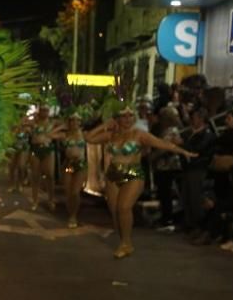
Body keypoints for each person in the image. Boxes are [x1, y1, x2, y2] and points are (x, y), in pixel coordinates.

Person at [86, 106, 196, 258]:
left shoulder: (139, 134)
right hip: (113, 174)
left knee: (124, 207)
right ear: (117, 119)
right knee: (115, 212)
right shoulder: (111, 135)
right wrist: (104, 126)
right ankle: (124, 240)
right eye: (124, 116)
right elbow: (89, 138)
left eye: (131, 116)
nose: (128, 119)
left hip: (133, 173)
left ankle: (126, 243)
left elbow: (162, 144)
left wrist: (183, 151)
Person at [180, 108, 216, 240]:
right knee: (187, 197)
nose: (192, 120)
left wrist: (182, 146)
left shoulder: (207, 134)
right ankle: (192, 225)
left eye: (194, 117)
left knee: (196, 198)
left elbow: (197, 150)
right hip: (188, 168)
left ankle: (200, 226)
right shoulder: (191, 134)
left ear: (201, 119)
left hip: (198, 169)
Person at [28, 101, 64, 211]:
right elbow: (21, 123)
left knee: (50, 175)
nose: (45, 112)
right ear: (39, 111)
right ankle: (35, 200)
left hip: (48, 149)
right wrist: (30, 116)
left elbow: (66, 124)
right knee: (35, 176)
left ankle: (51, 199)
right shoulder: (34, 122)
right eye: (42, 110)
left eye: (46, 110)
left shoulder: (53, 123)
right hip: (36, 149)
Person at [61, 111, 88, 228]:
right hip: (69, 165)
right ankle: (70, 214)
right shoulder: (65, 135)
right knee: (68, 192)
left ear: (80, 122)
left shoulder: (84, 134)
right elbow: (50, 134)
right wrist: (62, 127)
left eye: (78, 120)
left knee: (75, 192)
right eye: (72, 120)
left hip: (81, 165)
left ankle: (73, 216)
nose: (75, 122)